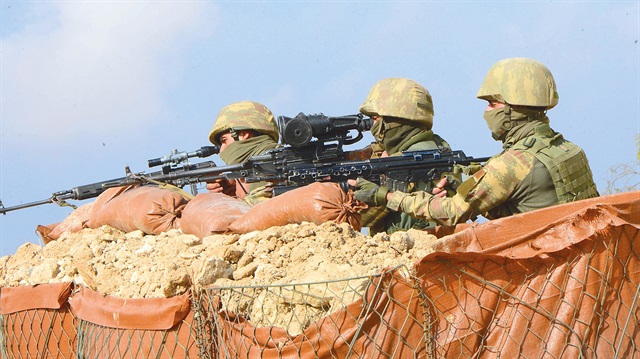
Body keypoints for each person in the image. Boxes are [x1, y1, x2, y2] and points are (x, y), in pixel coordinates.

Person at [353, 58, 599, 226]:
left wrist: (385, 196)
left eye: (493, 104)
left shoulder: (513, 164)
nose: (486, 112)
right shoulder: (568, 149)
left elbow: (451, 213)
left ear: (515, 108)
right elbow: (531, 203)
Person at [356, 78, 458, 234]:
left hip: (408, 250)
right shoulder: (436, 147)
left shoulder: (407, 160)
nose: (373, 126)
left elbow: (363, 218)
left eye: (376, 119)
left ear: (394, 119)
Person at [207, 100, 279, 205]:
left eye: (224, 141)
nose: (222, 150)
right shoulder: (264, 165)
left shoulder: (273, 166)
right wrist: (232, 193)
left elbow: (259, 212)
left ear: (244, 134)